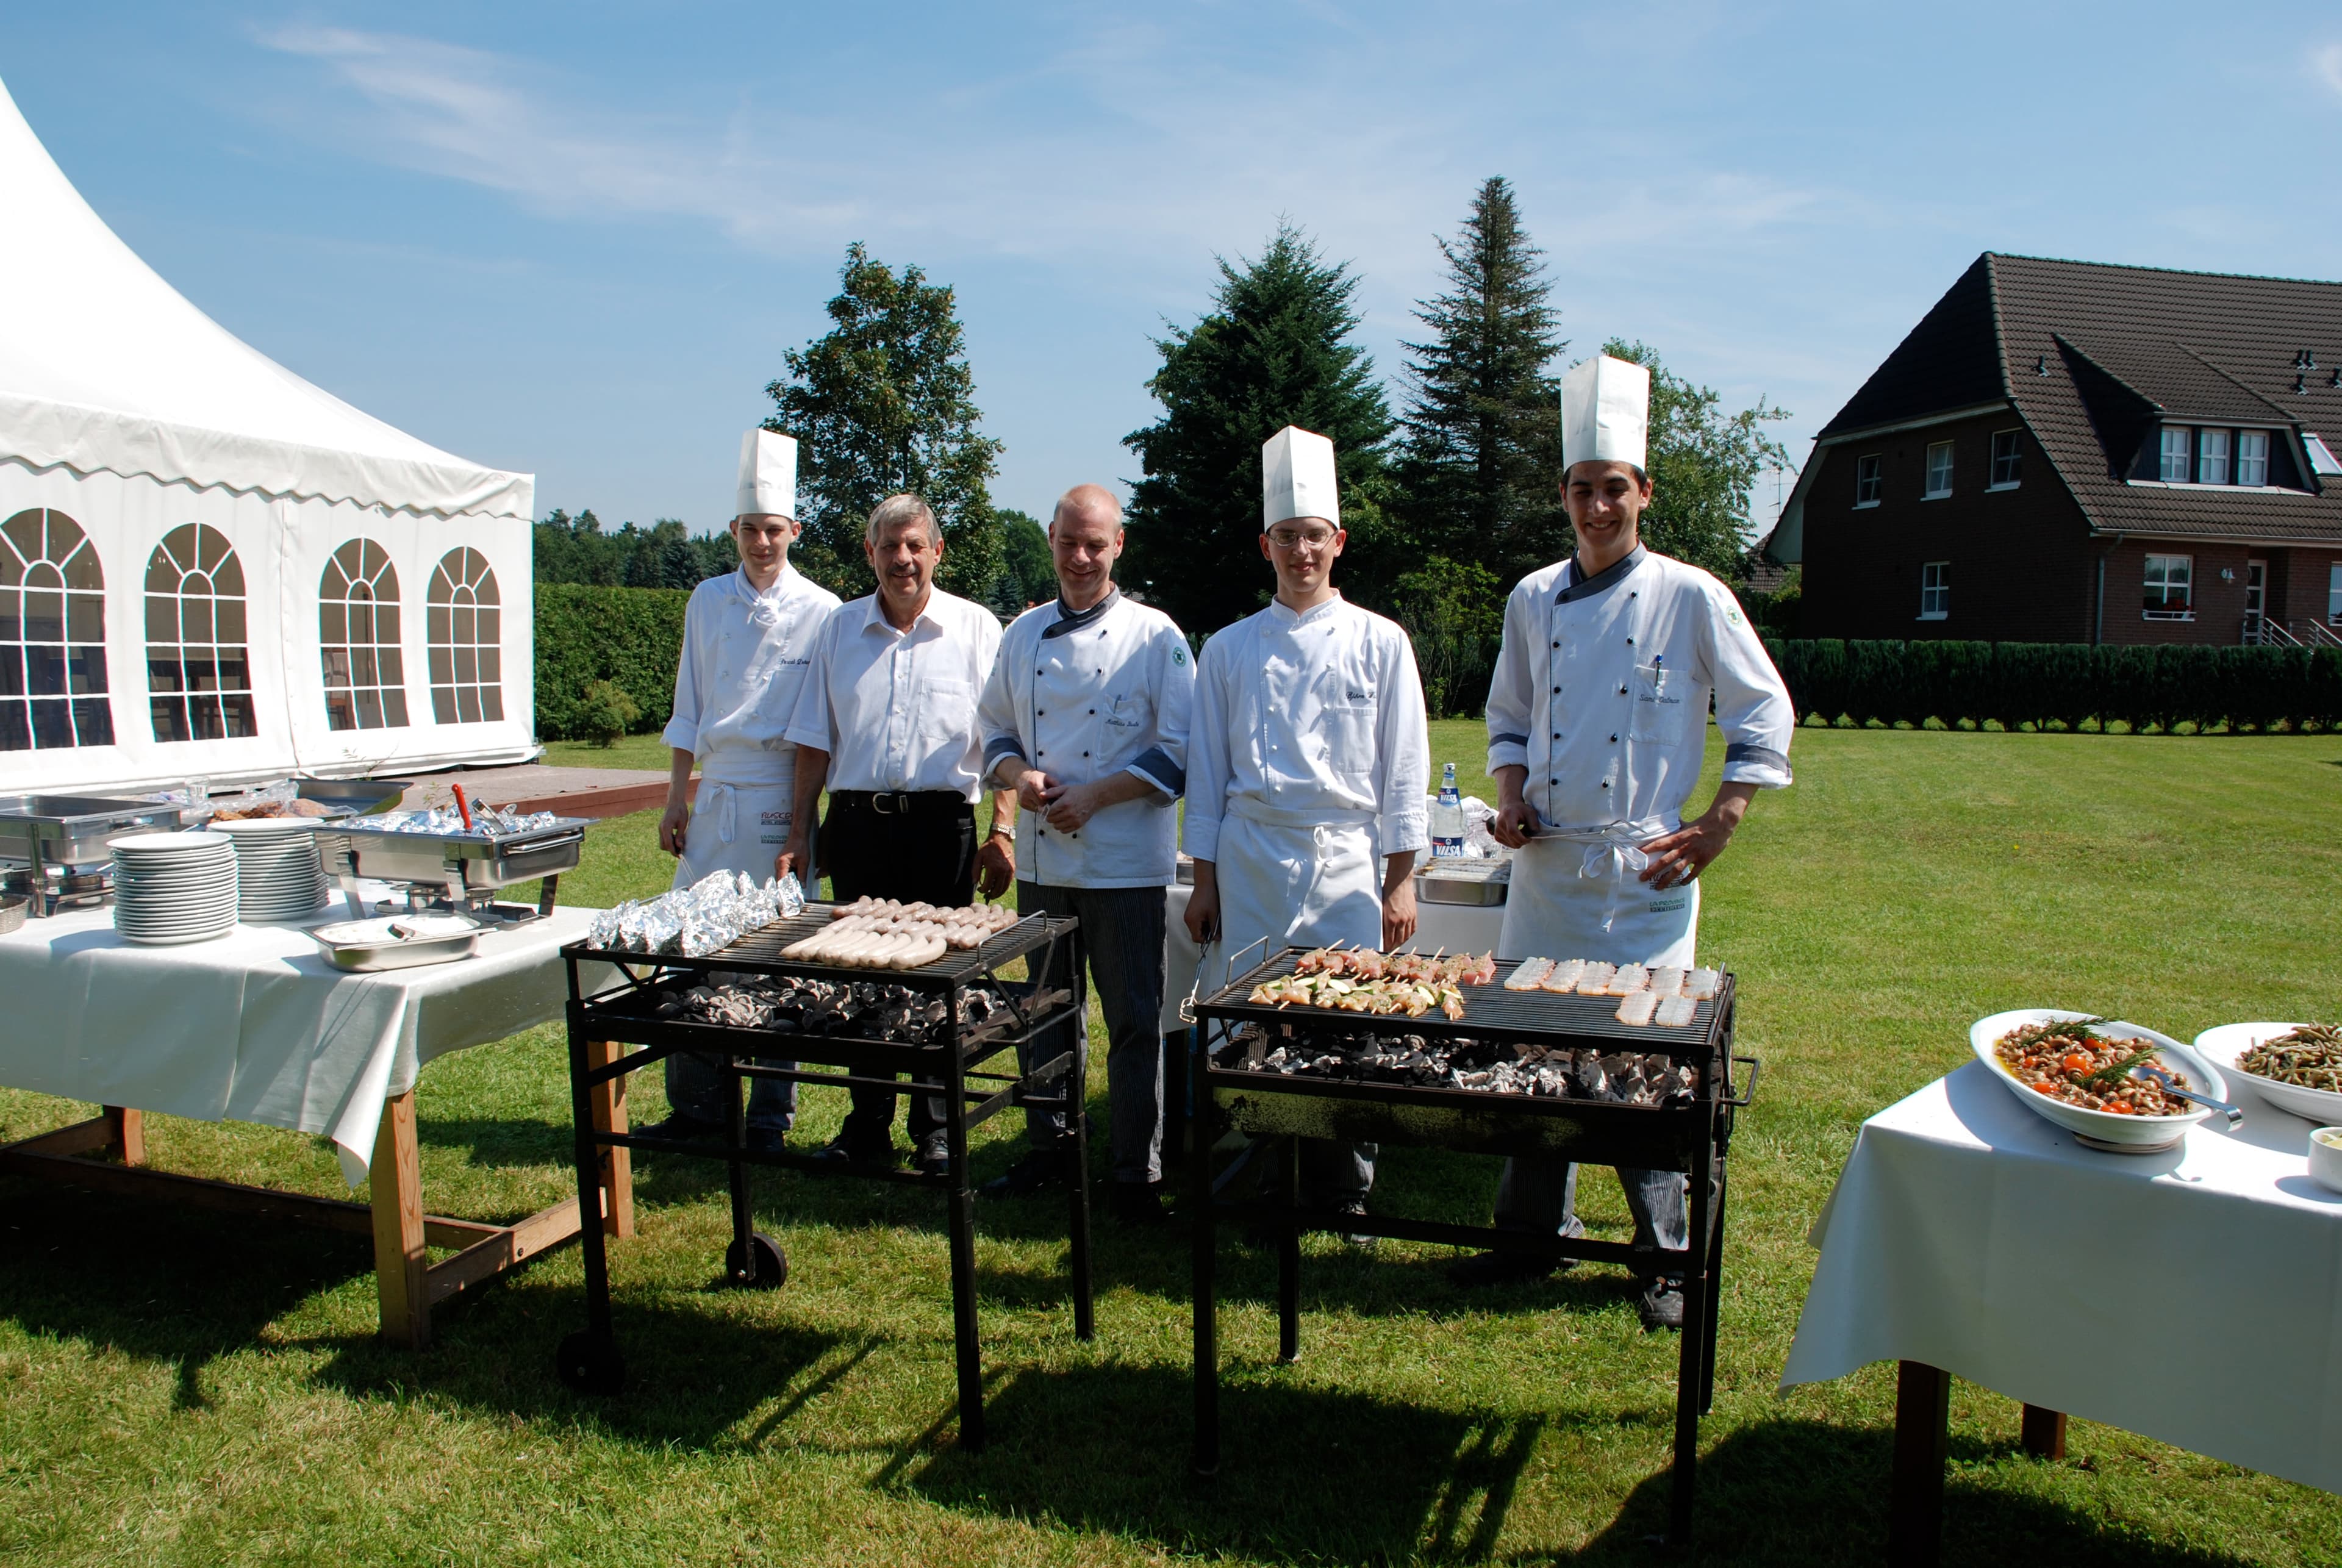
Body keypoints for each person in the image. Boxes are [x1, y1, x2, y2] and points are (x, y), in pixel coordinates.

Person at [1452, 353, 1796, 1329]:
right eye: (1581, 490)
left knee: (1644, 1066)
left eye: (1614, 489)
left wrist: (1722, 819)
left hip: (1645, 870)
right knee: (1525, 1046)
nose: (1597, 507)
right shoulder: (1530, 600)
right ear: (1562, 496)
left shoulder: (1693, 596)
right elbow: (1508, 718)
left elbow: (1765, 714)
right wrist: (1510, 795)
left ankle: (1666, 1260)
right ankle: (1526, 1241)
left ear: (1644, 492)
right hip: (1548, 867)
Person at [1182, 426, 1430, 1231]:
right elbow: (1209, 776)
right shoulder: (1227, 650)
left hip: (1346, 857)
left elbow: (1403, 766)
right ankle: (1253, 1167)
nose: (1301, 551)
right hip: (1253, 856)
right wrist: (1206, 880)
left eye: (1313, 536)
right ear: (1266, 544)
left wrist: (1401, 875)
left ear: (1338, 541)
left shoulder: (1381, 642)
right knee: (1250, 1017)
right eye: (1286, 537)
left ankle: (1343, 1185)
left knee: (1347, 1019)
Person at [778, 493, 1017, 1176]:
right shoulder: (838, 631)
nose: (902, 559)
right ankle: (867, 1125)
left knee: (939, 978)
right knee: (861, 980)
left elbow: (1002, 740)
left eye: (915, 545)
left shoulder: (975, 629)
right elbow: (812, 742)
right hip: (855, 826)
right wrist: (802, 830)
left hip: (942, 829)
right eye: (889, 546)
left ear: (937, 551)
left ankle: (937, 1128)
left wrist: (1000, 833)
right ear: (870, 553)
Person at [974, 483, 1194, 1224]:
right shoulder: (1022, 634)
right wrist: (1020, 778)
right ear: (1050, 537)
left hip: (1127, 866)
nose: (1080, 557)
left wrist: (1097, 795)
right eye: (1069, 541)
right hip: (1042, 863)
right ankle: (1050, 1149)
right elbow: (996, 735)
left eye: (1095, 544)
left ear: (1118, 545)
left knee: (1134, 1020)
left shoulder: (1157, 636)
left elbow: (1179, 757)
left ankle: (1137, 1174)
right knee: (1042, 1014)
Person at [640, 429, 840, 1153]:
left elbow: (817, 726)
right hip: (719, 790)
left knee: (777, 951)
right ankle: (699, 1107)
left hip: (781, 796)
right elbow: (689, 703)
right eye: (751, 531)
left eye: (773, 531)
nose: (762, 543)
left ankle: (768, 1118)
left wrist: (800, 825)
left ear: (794, 531)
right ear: (734, 531)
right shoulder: (706, 601)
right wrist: (675, 797)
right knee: (696, 949)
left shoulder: (823, 608)